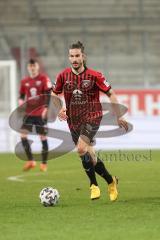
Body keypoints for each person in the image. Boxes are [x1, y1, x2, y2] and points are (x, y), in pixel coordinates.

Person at [52, 41, 128, 201]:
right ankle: (111, 181)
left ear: (83, 57)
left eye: (77, 56)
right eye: (71, 56)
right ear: (69, 57)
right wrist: (59, 108)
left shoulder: (95, 76)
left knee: (80, 149)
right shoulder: (62, 76)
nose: (74, 59)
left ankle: (93, 186)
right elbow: (53, 94)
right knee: (90, 156)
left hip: (93, 117)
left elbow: (111, 94)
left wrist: (119, 115)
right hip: (73, 120)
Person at [19, 59, 52, 172]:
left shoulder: (44, 79)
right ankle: (31, 160)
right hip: (28, 113)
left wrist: (46, 109)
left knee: (42, 137)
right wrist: (20, 102)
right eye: (30, 66)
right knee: (23, 135)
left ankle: (43, 164)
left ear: (37, 67)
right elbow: (22, 95)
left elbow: (48, 94)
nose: (32, 67)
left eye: (34, 65)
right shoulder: (24, 81)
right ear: (28, 67)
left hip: (40, 113)